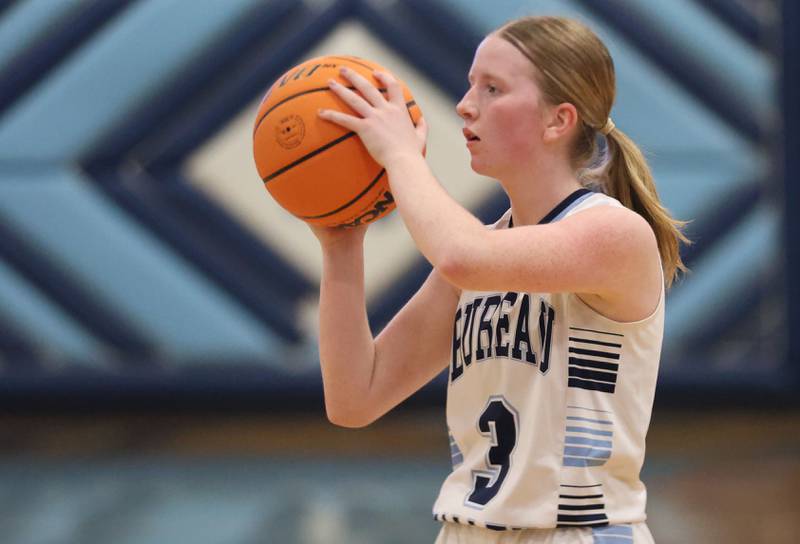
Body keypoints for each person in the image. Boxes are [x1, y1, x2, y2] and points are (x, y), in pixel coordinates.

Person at [314, 15, 688, 544]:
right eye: (471, 85)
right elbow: (354, 398)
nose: (466, 105)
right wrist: (340, 242)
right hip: (467, 531)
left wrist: (399, 154)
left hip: (573, 532)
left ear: (558, 121)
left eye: (493, 88)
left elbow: (463, 256)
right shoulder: (482, 254)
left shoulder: (612, 235)